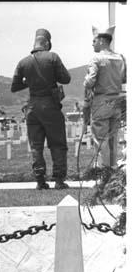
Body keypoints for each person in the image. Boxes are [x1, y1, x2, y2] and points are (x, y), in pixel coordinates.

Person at [11, 28, 71, 189]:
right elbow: (66, 78)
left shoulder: (23, 62)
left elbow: (14, 86)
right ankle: (59, 180)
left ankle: (40, 180)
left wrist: (29, 81)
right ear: (46, 43)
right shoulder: (53, 57)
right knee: (58, 144)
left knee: (36, 146)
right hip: (51, 106)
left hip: (32, 108)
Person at [82, 26, 126, 173]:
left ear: (101, 40)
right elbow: (124, 78)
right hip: (117, 100)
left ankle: (104, 171)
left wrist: (86, 79)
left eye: (94, 41)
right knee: (113, 137)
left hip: (102, 101)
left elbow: (90, 82)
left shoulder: (96, 58)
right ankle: (113, 169)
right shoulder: (120, 58)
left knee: (100, 139)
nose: (92, 44)